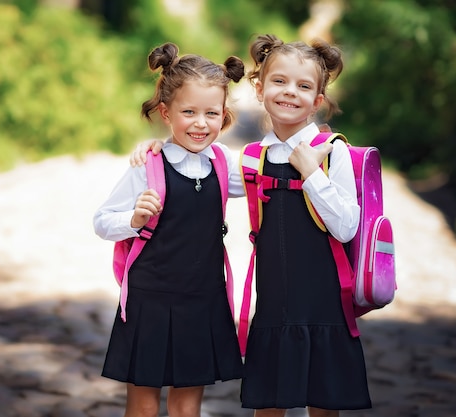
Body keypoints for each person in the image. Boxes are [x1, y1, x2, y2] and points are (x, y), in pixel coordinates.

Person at [130, 34, 371, 417]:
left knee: (324, 406)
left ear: (318, 100)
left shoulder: (332, 152)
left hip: (324, 308)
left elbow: (345, 228)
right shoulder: (253, 160)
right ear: (259, 89)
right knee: (268, 407)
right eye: (279, 81)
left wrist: (311, 172)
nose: (290, 92)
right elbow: (204, 169)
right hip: (273, 308)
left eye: (304, 86)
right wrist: (158, 149)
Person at [93, 42, 245, 417]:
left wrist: (313, 145)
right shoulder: (149, 164)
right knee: (143, 403)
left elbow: (268, 180)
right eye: (188, 111)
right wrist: (133, 219)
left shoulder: (224, 166)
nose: (200, 123)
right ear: (166, 112)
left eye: (211, 113)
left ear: (223, 116)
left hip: (202, 298)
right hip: (151, 299)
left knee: (187, 405)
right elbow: (102, 221)